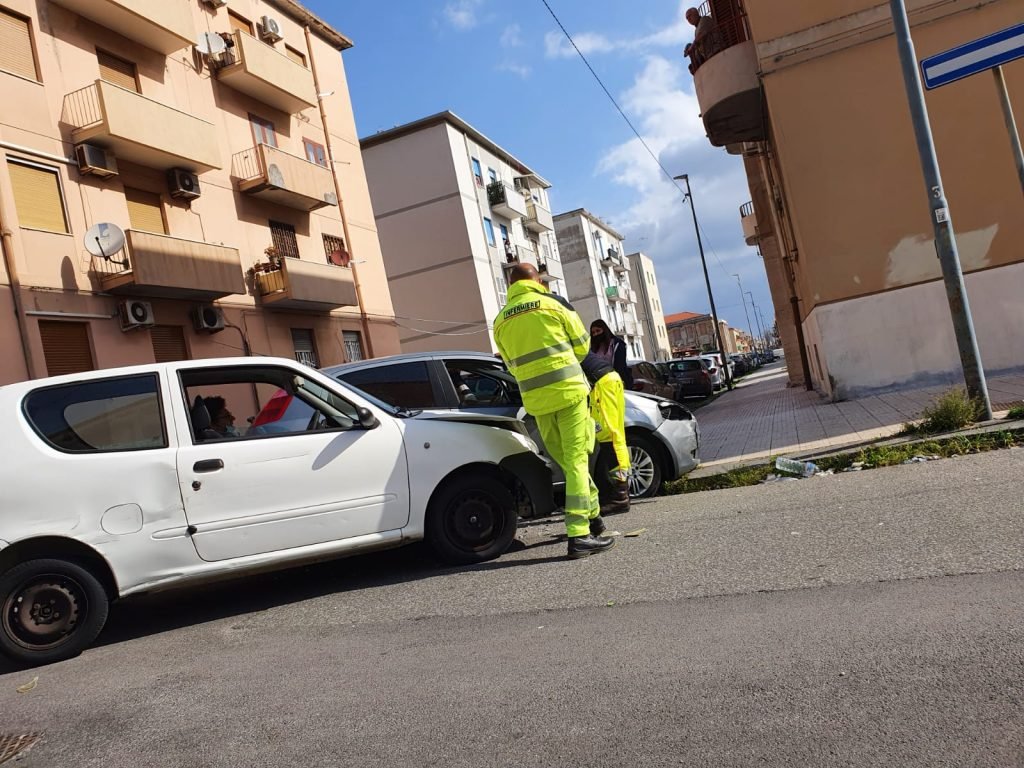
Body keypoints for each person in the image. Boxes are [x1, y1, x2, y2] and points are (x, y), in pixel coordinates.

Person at [493, 263, 615, 560]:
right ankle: (579, 535)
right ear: (537, 281)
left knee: (568, 463)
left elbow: (509, 365)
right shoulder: (554, 304)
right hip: (569, 393)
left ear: (511, 285)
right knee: (577, 462)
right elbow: (583, 348)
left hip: (537, 401)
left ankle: (594, 518)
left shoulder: (500, 320)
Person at [581, 353, 631, 515]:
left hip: (601, 384)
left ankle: (620, 497)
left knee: (610, 439)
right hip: (607, 379)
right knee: (615, 437)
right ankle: (620, 492)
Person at [590, 319, 633, 389]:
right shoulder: (594, 349)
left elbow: (620, 366)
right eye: (593, 332)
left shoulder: (617, 344)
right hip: (600, 384)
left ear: (604, 330)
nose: (595, 334)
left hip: (617, 383)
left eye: (598, 331)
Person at [684, 6, 717, 73]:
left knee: (690, 46)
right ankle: (695, 66)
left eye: (689, 16)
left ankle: (696, 67)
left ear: (696, 13)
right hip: (706, 55)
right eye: (687, 18)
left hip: (715, 49)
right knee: (689, 46)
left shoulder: (704, 19)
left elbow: (700, 36)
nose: (689, 20)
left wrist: (691, 47)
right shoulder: (696, 29)